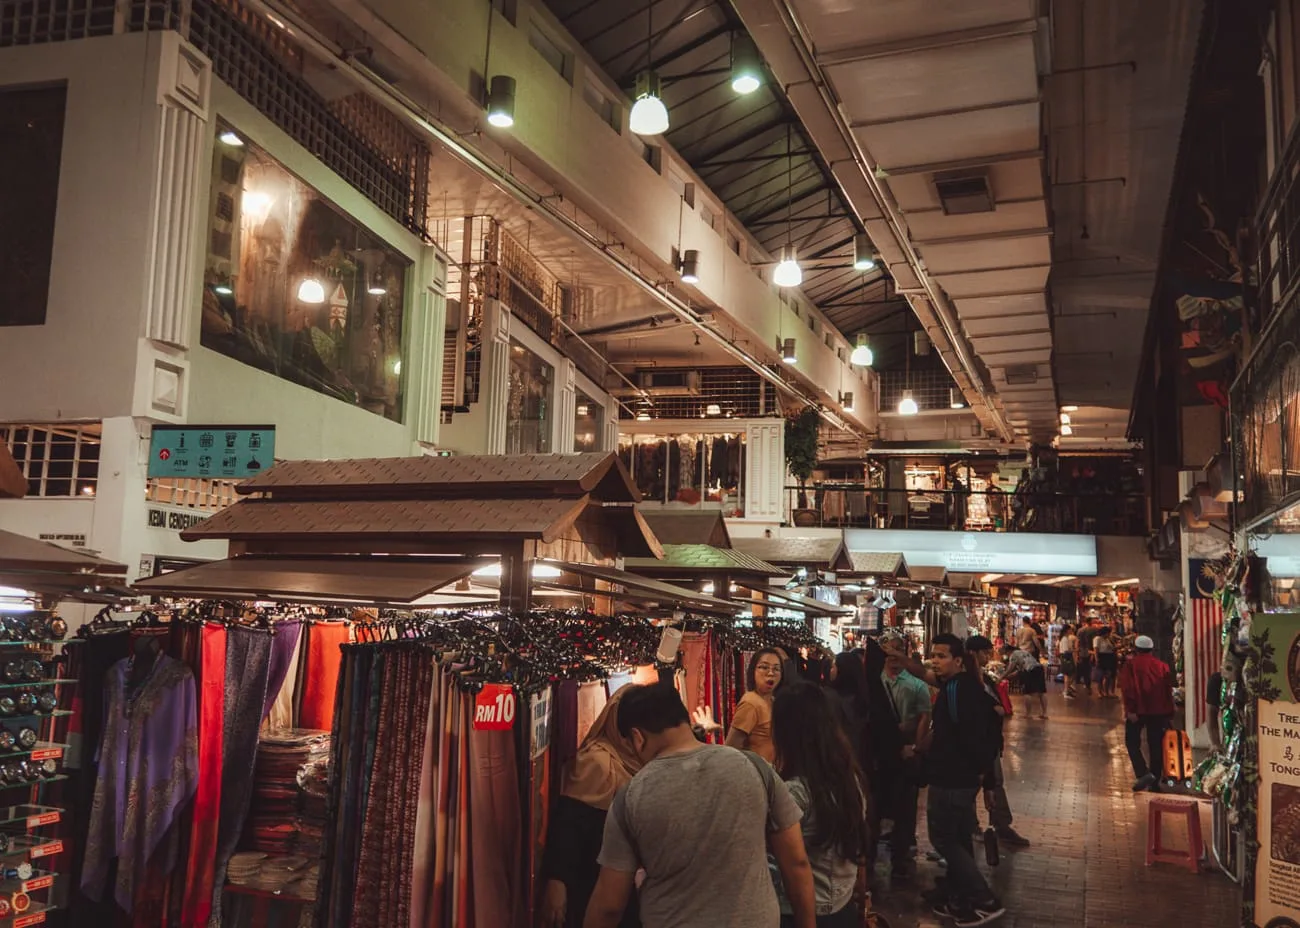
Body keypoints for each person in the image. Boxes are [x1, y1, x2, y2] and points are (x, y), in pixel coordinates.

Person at [583, 683, 816, 928]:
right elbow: (796, 864)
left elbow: (609, 905)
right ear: (683, 720)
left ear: (637, 737)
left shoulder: (630, 797)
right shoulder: (755, 768)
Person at [541, 687, 643, 928]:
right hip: (592, 883)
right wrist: (557, 881)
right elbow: (568, 824)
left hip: (629, 886)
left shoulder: (644, 760)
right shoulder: (596, 762)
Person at [770, 683, 871, 927]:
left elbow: (796, 865)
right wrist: (861, 889)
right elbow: (859, 838)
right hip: (841, 902)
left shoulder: (795, 791)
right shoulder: (848, 776)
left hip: (805, 912)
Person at [922, 634, 1005, 927]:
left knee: (943, 838)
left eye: (942, 656)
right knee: (958, 838)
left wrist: (986, 779)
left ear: (958, 660)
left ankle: (984, 899)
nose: (935, 660)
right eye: (933, 655)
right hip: (961, 776)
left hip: (953, 777)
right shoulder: (964, 687)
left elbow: (974, 737)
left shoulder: (959, 689)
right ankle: (961, 898)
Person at [965, 636, 1030, 848]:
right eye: (984, 652)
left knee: (995, 784)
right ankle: (971, 827)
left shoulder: (985, 678)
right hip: (974, 743)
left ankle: (1001, 825)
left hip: (990, 742)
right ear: (973, 654)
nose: (988, 656)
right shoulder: (965, 680)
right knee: (971, 785)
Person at [878, 640, 932, 881]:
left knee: (905, 805)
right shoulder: (876, 680)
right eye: (886, 651)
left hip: (904, 751)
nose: (891, 655)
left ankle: (901, 854)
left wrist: (916, 747)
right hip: (880, 754)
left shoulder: (916, 684)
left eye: (895, 650)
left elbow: (924, 717)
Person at [1117, 635, 1174, 792]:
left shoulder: (1130, 666)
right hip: (1159, 711)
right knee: (1156, 745)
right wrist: (1169, 712)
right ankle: (1154, 781)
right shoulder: (1162, 666)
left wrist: (1130, 709)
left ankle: (1142, 772)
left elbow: (1128, 689)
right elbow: (1168, 690)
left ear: (1136, 648)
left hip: (1138, 710)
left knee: (1132, 741)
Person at [727, 648, 783, 763]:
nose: (771, 673)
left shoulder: (774, 701)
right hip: (759, 775)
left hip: (774, 775)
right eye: (764, 667)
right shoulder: (750, 703)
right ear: (753, 670)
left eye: (776, 669)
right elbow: (731, 749)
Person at [824, 651, 870, 770]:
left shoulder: (830, 698)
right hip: (860, 761)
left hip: (836, 762)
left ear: (842, 670)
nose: (831, 670)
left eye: (834, 666)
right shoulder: (864, 697)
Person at [1004, 640, 1047, 720]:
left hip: (1029, 670)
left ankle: (1028, 714)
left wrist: (1002, 677)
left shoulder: (1013, 655)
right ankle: (1044, 713)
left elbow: (1010, 668)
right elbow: (1019, 670)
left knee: (1028, 692)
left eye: (1006, 653)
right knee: (1042, 691)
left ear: (1009, 651)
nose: (1006, 655)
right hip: (1039, 668)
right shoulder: (1023, 652)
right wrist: (1009, 676)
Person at [1094, 626, 1118, 697]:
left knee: (1108, 675)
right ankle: (1100, 692)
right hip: (1102, 657)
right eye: (1108, 633)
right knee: (1100, 676)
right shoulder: (1097, 639)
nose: (1108, 635)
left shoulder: (1107, 639)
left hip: (1109, 657)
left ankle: (1106, 691)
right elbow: (1096, 649)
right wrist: (1096, 658)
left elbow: (1111, 648)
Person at [1076, 620, 1096, 696]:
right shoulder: (1094, 630)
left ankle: (1079, 679)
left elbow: (1077, 642)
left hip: (1082, 650)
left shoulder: (1080, 630)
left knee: (1082, 666)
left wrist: (1077, 652)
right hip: (1090, 651)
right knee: (1088, 669)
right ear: (1091, 622)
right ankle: (1087, 684)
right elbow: (1094, 642)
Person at [1057, 624, 1078, 699]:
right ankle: (1066, 690)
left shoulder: (1065, 638)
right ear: (1067, 630)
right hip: (1066, 657)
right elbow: (1066, 650)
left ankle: (1067, 690)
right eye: (1070, 629)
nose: (1071, 631)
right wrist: (1075, 650)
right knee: (1068, 674)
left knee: (1068, 675)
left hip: (1066, 657)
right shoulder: (1065, 639)